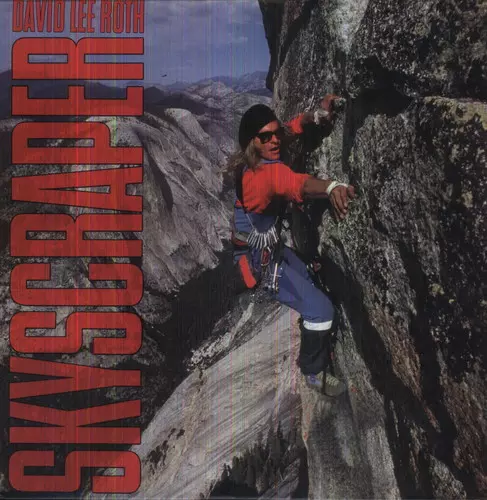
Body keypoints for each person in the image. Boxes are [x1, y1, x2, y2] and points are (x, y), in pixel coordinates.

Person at [229, 95, 356, 396]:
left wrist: (315, 116)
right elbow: (298, 184)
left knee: (311, 277)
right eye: (266, 137)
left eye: (274, 133)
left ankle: (310, 327)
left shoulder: (262, 150)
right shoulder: (263, 175)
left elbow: (288, 129)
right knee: (322, 310)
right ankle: (312, 372)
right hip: (264, 263)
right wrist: (331, 186)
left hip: (268, 249)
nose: (274, 140)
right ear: (252, 143)